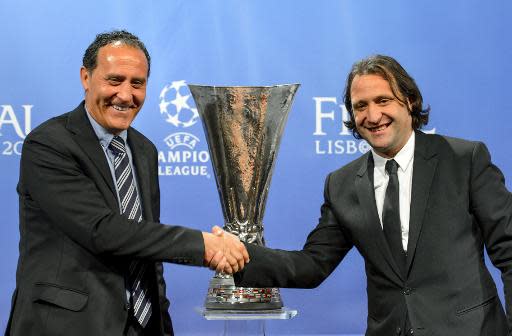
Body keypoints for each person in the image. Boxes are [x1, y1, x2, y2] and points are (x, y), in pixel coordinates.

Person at [226, 55, 512, 335]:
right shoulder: (342, 184)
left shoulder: (464, 160)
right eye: (360, 106)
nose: (373, 116)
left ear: (410, 101)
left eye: (383, 100)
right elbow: (312, 264)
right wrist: (236, 255)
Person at [5, 30, 248, 336]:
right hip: (66, 326)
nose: (125, 95)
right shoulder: (49, 144)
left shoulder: (144, 150)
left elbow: (146, 248)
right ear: (86, 77)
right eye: (114, 80)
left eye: (137, 83)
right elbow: (102, 230)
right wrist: (203, 245)